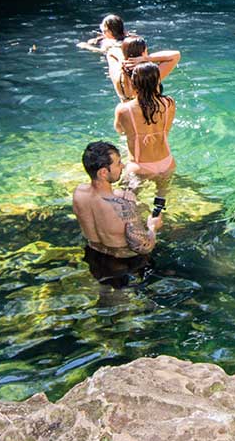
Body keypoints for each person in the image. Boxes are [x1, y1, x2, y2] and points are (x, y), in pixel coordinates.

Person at [72, 141, 161, 284]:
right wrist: (153, 227)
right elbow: (143, 246)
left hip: (94, 256)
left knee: (106, 297)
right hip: (125, 262)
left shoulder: (78, 193)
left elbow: (102, 202)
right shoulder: (124, 206)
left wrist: (119, 194)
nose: (123, 166)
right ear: (103, 172)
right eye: (118, 163)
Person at [114, 63, 177, 196]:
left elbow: (119, 130)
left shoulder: (124, 109)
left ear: (134, 83)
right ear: (157, 81)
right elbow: (167, 129)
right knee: (161, 202)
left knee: (125, 200)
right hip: (166, 162)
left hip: (140, 166)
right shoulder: (169, 103)